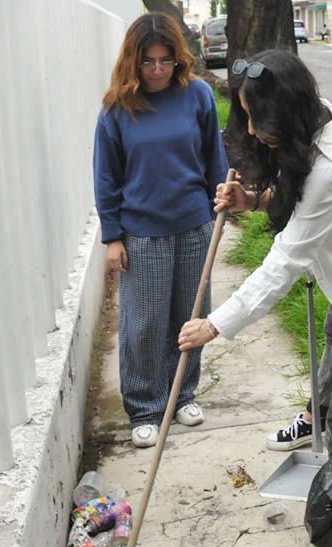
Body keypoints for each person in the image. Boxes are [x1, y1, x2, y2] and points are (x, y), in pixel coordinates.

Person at [176, 49, 332, 451]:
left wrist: (215, 324)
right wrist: (253, 200)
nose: (253, 131)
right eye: (248, 117)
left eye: (260, 120)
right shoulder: (311, 119)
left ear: (288, 112)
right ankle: (322, 418)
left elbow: (286, 260)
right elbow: (300, 192)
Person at [94, 13, 228, 448]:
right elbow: (106, 176)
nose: (156, 70)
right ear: (133, 61)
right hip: (143, 234)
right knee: (144, 323)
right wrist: (112, 235)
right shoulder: (117, 108)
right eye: (148, 61)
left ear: (178, 59)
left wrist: (222, 204)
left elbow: (213, 157)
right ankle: (145, 407)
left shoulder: (199, 96)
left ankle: (182, 393)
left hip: (193, 225)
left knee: (190, 317)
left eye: (165, 60)